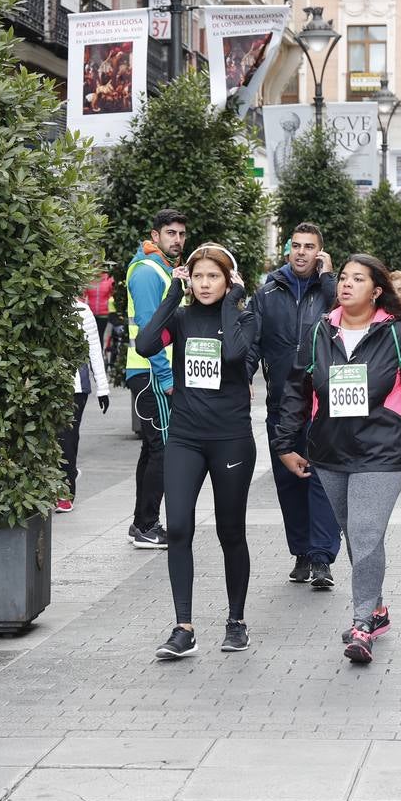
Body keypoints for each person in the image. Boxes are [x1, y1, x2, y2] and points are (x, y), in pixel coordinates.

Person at [275, 254, 401, 665]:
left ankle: (362, 622)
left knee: (365, 532)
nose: (346, 284)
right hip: (330, 453)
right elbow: (297, 391)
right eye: (343, 277)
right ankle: (378, 607)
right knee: (356, 535)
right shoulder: (319, 334)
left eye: (358, 279)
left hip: (383, 453)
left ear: (377, 290)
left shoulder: (395, 335)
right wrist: (284, 445)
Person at [138, 245, 257, 659]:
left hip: (230, 439)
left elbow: (233, 354)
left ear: (229, 280)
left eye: (214, 277)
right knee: (179, 529)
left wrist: (234, 301)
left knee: (230, 531)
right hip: (186, 438)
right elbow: (145, 342)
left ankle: (236, 621)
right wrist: (173, 292)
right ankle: (183, 627)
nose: (205, 284)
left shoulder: (244, 316)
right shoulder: (182, 318)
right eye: (199, 276)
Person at [247, 223, 341, 589]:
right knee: (289, 481)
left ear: (320, 253)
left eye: (310, 247)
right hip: (282, 403)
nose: (302, 252)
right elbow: (252, 342)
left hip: (325, 406)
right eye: (297, 246)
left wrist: (330, 278)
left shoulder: (331, 290)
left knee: (323, 479)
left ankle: (321, 559)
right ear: (288, 251)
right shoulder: (268, 292)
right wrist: (242, 379)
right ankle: (301, 551)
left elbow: (344, 318)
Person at [125, 210, 188, 549]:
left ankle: (142, 523)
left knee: (152, 451)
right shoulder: (149, 272)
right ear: (155, 234)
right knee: (162, 450)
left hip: (150, 372)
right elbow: (151, 332)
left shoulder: (163, 268)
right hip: (151, 373)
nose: (177, 239)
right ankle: (147, 524)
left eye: (181, 233)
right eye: (170, 233)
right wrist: (166, 376)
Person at [56, 296, 111, 513]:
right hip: (43, 385)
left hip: (75, 387)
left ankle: (66, 493)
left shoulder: (82, 310)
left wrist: (103, 388)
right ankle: (65, 475)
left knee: (67, 439)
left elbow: (94, 349)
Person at [84, 270, 114, 349]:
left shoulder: (109, 279)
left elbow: (113, 294)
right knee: (90, 336)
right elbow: (83, 296)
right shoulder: (89, 279)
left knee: (99, 335)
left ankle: (100, 357)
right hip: (91, 314)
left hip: (103, 314)